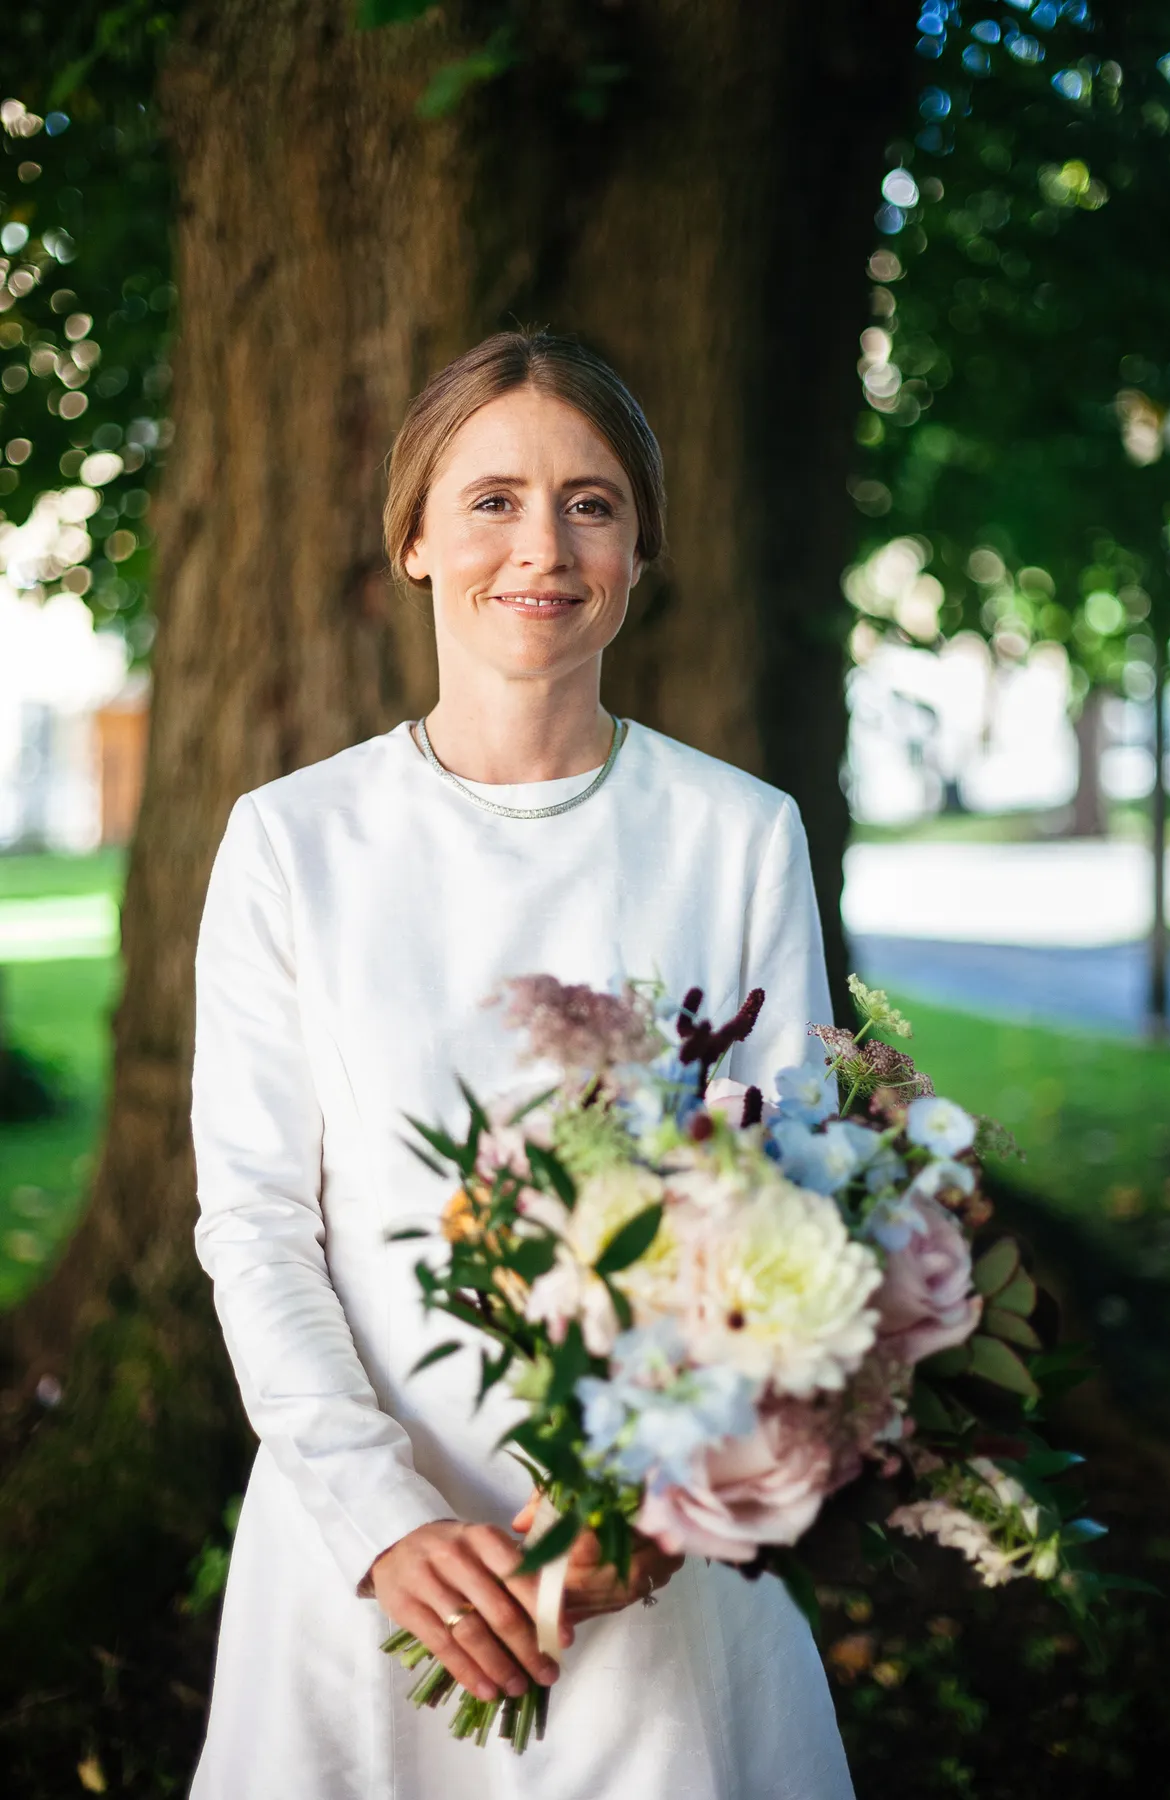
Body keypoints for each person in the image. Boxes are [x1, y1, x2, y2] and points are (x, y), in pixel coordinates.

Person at [190, 330, 855, 1799]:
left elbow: (788, 1208)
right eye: (491, 499)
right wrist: (383, 1520)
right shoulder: (290, 842)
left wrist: (637, 1504)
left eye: (593, 503)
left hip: (644, 1552)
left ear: (639, 546)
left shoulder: (741, 834)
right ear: (415, 540)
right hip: (361, 1557)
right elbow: (255, 1221)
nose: (541, 546)